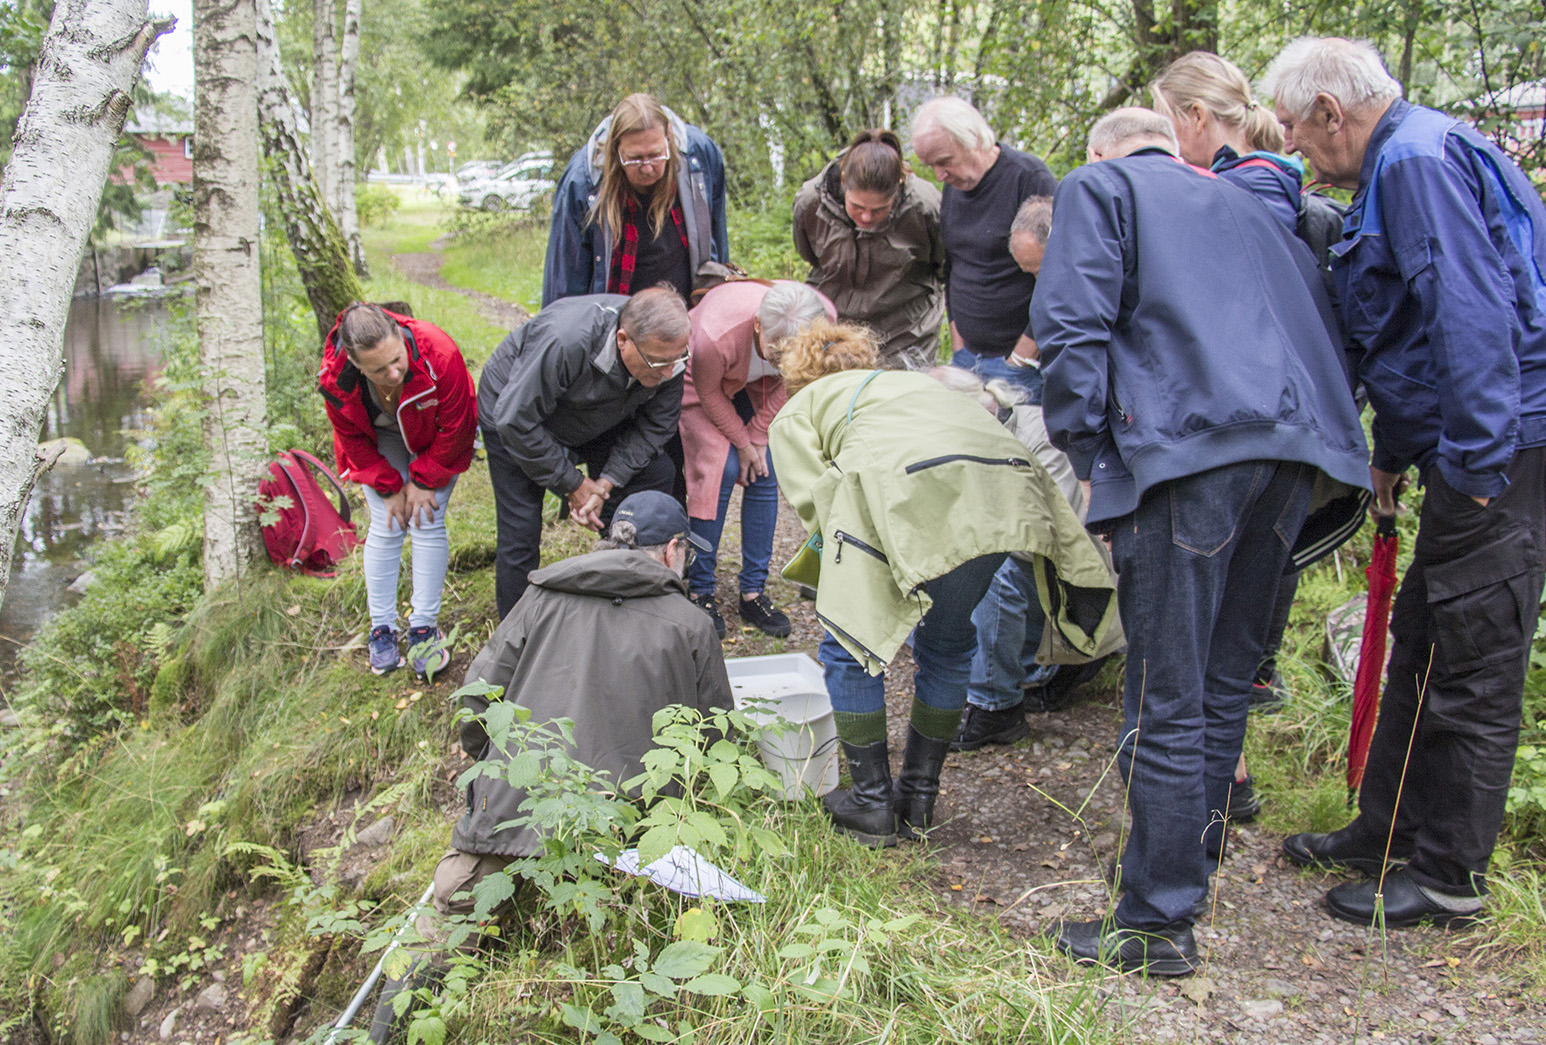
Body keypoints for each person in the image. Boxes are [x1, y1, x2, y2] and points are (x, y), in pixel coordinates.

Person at [1031, 108, 1370, 975]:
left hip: (1188, 453)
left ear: (1104, 148)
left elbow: (1073, 327)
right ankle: (1186, 863)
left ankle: (1155, 922)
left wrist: (1086, 454)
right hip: (1296, 455)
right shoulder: (1248, 201)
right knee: (1221, 682)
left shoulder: (1099, 186)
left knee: (1165, 692)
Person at [1264, 38, 1546, 929]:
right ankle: (1386, 826)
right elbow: (1415, 335)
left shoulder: (1417, 162)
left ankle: (1447, 873)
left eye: (1298, 134)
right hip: (1469, 442)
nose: (1300, 152)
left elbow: (1471, 317)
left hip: (1504, 451)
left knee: (1473, 661)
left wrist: (1474, 469)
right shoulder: (1403, 155)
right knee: (1421, 640)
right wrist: (1393, 450)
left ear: (1329, 113)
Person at [367, 491, 730, 1043]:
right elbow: (718, 742)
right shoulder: (692, 625)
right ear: (674, 550)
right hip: (632, 835)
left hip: (517, 805)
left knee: (444, 921)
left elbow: (478, 697)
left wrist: (489, 770)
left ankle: (382, 1035)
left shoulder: (541, 596)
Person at [768, 321, 1118, 849]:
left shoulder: (799, 409)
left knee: (849, 646)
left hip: (907, 487)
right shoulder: (916, 386)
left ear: (797, 377)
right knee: (950, 642)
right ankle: (918, 797)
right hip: (1001, 490)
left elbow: (816, 505)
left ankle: (869, 802)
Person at [1152, 49, 1314, 816]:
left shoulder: (1223, 197)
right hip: (1293, 439)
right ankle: (1214, 817)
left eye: (1166, 123)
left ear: (1191, 118)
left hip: (1222, 438)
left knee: (1185, 663)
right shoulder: (1283, 187)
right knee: (1228, 655)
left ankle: (1178, 855)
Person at [949, 198, 1120, 750]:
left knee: (1012, 559)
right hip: (1040, 415)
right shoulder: (1062, 280)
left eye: (1038, 270)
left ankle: (999, 701)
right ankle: (1021, 676)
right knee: (1016, 555)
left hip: (1076, 433)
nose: (1035, 285)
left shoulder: (1100, 274)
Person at [479, 288, 690, 619]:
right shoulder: (566, 340)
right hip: (517, 415)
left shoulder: (669, 356)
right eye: (658, 363)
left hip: (599, 415)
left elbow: (655, 427)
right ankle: (517, 635)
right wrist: (572, 483)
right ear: (622, 339)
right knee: (520, 529)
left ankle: (625, 591)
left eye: (676, 361)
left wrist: (606, 483)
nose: (667, 373)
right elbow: (513, 418)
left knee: (656, 473)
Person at [319, 303, 477, 677]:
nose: (393, 372)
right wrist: (388, 486)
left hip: (435, 435)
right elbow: (351, 438)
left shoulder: (439, 352)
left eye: (396, 359)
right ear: (356, 365)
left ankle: (423, 628)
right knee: (387, 523)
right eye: (378, 369)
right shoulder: (335, 378)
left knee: (426, 518)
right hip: (379, 439)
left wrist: (424, 480)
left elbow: (459, 425)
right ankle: (383, 629)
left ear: (400, 336)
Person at [680, 280, 833, 639]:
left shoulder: (821, 320)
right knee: (722, 468)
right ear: (758, 326)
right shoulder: (715, 335)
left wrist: (760, 436)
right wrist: (742, 442)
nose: (783, 361)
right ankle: (700, 590)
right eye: (776, 352)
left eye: (791, 354)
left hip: (756, 386)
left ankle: (753, 592)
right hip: (707, 384)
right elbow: (708, 392)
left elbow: (791, 381)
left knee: (765, 471)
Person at [911, 96, 1058, 400]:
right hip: (966, 358)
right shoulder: (955, 186)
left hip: (1019, 363)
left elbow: (1057, 276)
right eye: (931, 166)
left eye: (944, 161)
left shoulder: (1028, 177)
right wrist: (957, 341)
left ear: (974, 139)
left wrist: (1022, 355)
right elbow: (953, 264)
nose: (939, 176)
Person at [543, 93, 729, 306]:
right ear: (615, 147)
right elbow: (564, 283)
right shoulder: (582, 182)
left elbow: (719, 246)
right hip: (617, 320)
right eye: (635, 158)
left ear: (669, 135)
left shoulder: (700, 157)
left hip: (686, 314)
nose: (648, 167)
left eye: (656, 154)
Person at [792, 129, 945, 370]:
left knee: (899, 403)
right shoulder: (810, 202)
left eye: (879, 209)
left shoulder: (924, 206)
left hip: (906, 329)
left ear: (899, 185)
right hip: (837, 325)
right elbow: (810, 255)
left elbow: (945, 266)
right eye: (857, 206)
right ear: (843, 181)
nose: (866, 216)